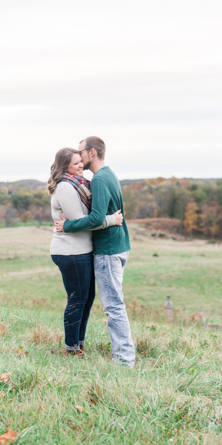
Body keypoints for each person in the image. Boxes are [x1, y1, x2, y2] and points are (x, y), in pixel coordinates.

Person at [54, 136, 135, 367]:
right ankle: (124, 356)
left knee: (114, 306)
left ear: (91, 152)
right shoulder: (109, 174)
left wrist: (67, 226)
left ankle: (124, 361)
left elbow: (97, 218)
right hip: (119, 246)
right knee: (114, 304)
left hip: (107, 249)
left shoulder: (98, 180)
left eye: (81, 153)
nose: (79, 158)